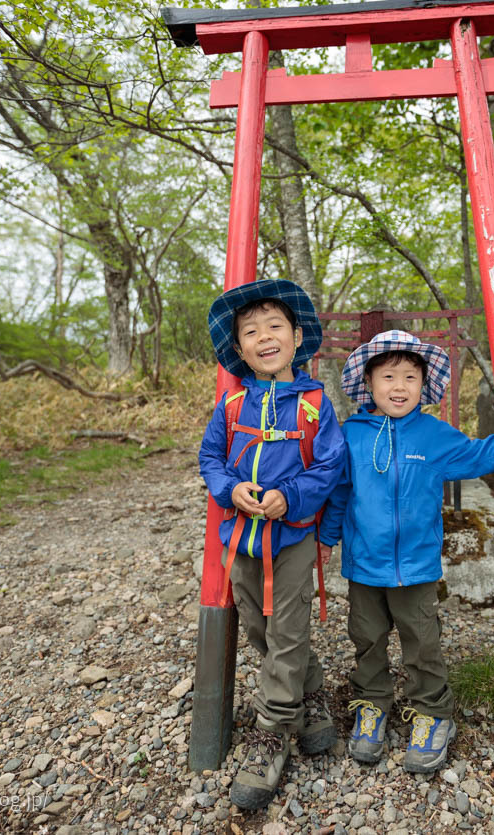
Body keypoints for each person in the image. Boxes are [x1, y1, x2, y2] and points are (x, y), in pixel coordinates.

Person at [319, 329, 494, 774]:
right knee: (367, 638)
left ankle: (432, 712)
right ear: (369, 384)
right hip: (364, 565)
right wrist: (325, 539)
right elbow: (340, 492)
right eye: (387, 377)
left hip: (416, 567)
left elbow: (482, 455)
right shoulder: (353, 435)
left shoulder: (433, 435)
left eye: (409, 378)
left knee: (422, 642)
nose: (398, 387)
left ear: (423, 386)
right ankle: (372, 704)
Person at [197, 279, 345, 811]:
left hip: (293, 538)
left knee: (288, 629)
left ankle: (271, 734)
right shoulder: (232, 405)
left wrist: (293, 496)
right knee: (258, 628)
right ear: (239, 349)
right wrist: (228, 488)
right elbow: (210, 458)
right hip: (241, 539)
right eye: (251, 331)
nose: (264, 337)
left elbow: (330, 466)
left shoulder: (313, 405)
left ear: (297, 337)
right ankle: (310, 693)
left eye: (275, 326)